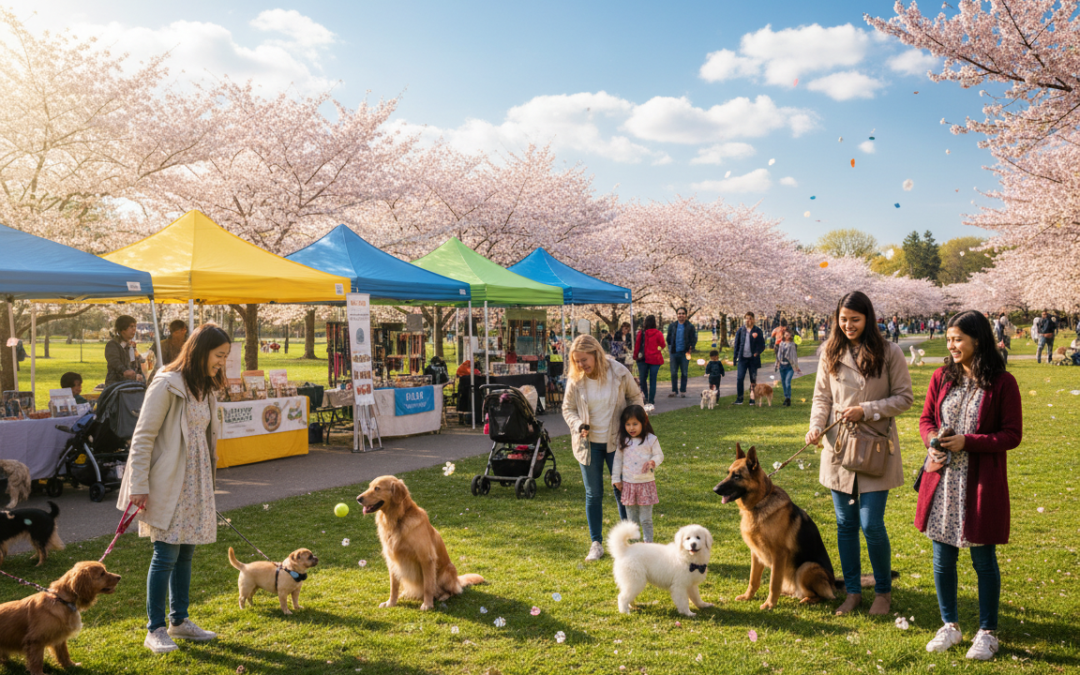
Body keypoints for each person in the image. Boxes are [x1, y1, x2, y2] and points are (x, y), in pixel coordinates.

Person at [117, 323, 231, 654]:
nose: (222, 362)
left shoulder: (205, 386)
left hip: (196, 480)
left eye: (225, 356)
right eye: (219, 355)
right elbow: (143, 437)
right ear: (201, 351)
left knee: (187, 550)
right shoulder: (167, 383)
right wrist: (139, 485)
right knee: (166, 552)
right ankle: (155, 629)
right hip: (167, 480)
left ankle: (179, 621)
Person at [915, 310, 1022, 661]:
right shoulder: (941, 377)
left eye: (958, 338)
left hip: (979, 483)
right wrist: (933, 438)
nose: (952, 345)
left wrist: (969, 442)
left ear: (978, 339)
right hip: (942, 479)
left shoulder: (1003, 383)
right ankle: (950, 625)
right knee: (942, 557)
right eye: (949, 339)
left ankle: (987, 631)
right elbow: (926, 417)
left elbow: (1011, 434)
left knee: (983, 558)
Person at [806, 291, 913, 616]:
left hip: (873, 445)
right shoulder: (830, 351)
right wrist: (815, 426)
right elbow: (821, 396)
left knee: (871, 524)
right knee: (845, 524)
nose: (849, 325)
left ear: (868, 319)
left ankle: (883, 591)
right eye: (844, 319)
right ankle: (853, 591)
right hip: (837, 445)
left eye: (856, 319)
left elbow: (904, 398)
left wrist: (865, 409)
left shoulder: (889, 351)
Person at [562, 335, 643, 561]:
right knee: (593, 494)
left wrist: (633, 423)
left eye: (584, 360)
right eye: (576, 361)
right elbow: (567, 409)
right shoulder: (576, 379)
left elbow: (635, 396)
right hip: (588, 445)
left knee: (621, 491)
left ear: (596, 354)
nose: (581, 365)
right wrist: (578, 425)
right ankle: (596, 543)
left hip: (616, 442)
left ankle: (628, 544)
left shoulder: (618, 372)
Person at [611, 405, 663, 543]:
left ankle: (648, 546)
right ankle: (634, 547)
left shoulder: (651, 439)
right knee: (632, 521)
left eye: (635, 424)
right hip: (629, 486)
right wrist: (616, 478)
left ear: (643, 422)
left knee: (646, 519)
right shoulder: (623, 441)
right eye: (628, 424)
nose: (631, 428)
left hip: (646, 485)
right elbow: (617, 461)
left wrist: (653, 461)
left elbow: (659, 455)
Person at [731, 312, 765, 405]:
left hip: (753, 359)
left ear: (753, 319)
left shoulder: (757, 331)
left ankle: (752, 398)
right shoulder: (741, 330)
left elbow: (762, 345)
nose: (748, 320)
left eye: (750, 318)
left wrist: (756, 353)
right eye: (746, 318)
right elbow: (736, 345)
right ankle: (739, 398)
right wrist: (735, 358)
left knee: (753, 379)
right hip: (742, 358)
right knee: (740, 378)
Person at [632, 315, 666, 405]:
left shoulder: (641, 333)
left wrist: (635, 356)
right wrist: (657, 348)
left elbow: (637, 346)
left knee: (643, 379)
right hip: (655, 359)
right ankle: (651, 399)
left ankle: (645, 397)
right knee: (653, 380)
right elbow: (663, 345)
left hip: (643, 359)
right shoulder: (658, 333)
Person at [104, 315, 145, 388]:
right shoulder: (112, 345)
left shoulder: (131, 345)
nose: (134, 329)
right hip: (116, 385)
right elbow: (114, 361)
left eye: (135, 326)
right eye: (131, 326)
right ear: (123, 329)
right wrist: (124, 371)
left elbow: (138, 362)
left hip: (132, 384)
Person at [665, 308, 697, 398]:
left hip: (685, 353)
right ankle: (674, 390)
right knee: (673, 372)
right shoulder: (672, 326)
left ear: (686, 315)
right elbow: (668, 338)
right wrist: (671, 347)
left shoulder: (690, 326)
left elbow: (693, 338)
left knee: (684, 372)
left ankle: (683, 391)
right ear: (677, 315)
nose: (681, 315)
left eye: (683, 313)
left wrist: (691, 347)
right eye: (679, 313)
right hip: (674, 353)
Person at [774, 329, 801, 407]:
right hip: (782, 365)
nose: (787, 336)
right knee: (783, 383)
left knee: (787, 382)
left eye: (788, 334)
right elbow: (778, 355)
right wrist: (777, 364)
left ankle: (788, 398)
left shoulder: (792, 345)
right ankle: (786, 397)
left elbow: (794, 356)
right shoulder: (781, 344)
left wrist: (796, 367)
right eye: (785, 334)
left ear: (790, 336)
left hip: (790, 366)